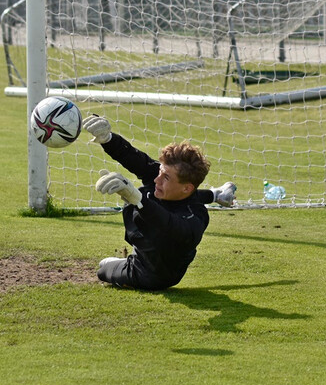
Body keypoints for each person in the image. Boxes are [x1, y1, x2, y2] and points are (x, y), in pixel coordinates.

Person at [84, 114, 236, 290]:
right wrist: (108, 139)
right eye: (160, 172)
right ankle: (216, 194)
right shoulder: (163, 181)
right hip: (145, 240)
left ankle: (215, 194)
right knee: (150, 190)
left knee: (103, 270)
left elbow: (168, 224)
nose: (157, 179)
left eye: (166, 177)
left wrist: (135, 197)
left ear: (187, 187)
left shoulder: (196, 218)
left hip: (153, 274)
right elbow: (134, 158)